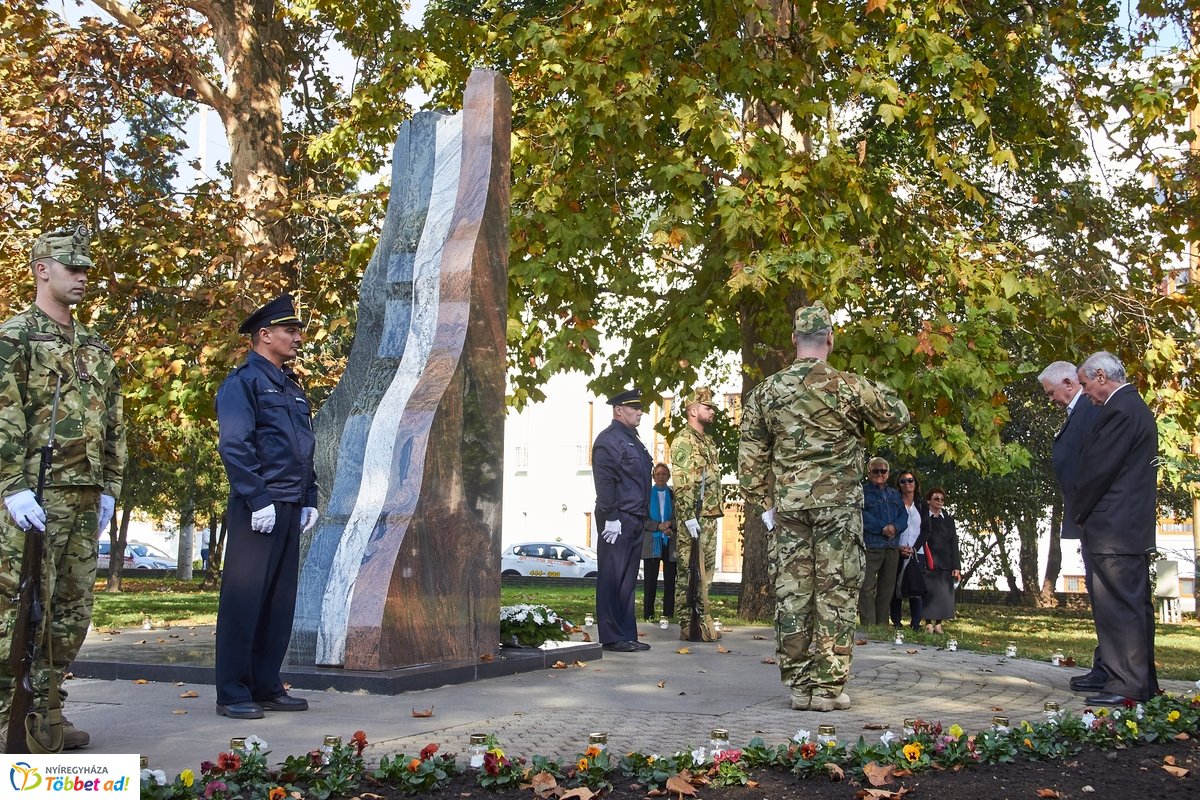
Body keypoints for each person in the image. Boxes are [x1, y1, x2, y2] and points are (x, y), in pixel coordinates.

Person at [738, 301, 909, 712]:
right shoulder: (850, 386)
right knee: (836, 593)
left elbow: (749, 463)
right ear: (830, 339)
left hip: (790, 508)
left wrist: (767, 502)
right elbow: (898, 416)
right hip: (838, 509)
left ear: (794, 340)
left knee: (793, 594)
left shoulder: (767, 391)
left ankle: (799, 688)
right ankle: (829, 690)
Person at [0, 224, 125, 751]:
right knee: (17, 606)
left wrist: (112, 488)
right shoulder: (14, 337)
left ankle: (46, 714)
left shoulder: (94, 347)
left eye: (84, 270)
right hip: (34, 496)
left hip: (84, 494)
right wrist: (11, 484)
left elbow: (115, 423)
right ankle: (8, 713)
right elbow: (4, 414)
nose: (80, 277)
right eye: (70, 268)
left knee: (72, 610)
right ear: (40, 270)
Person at [214, 295, 319, 719]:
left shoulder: (291, 387)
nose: (298, 338)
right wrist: (258, 497)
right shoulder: (242, 383)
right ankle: (233, 691)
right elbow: (235, 445)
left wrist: (309, 496)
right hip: (258, 506)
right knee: (244, 600)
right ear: (265, 335)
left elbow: (303, 448)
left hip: (291, 503)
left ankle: (265, 684)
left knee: (278, 602)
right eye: (290, 331)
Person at [1072, 351, 1159, 705]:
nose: (1086, 392)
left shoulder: (1120, 411)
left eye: (1086, 384)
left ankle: (1126, 684)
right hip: (1125, 527)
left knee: (1119, 606)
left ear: (1102, 376)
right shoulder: (1133, 407)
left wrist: (1078, 511)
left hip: (1114, 528)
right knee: (1131, 605)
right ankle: (1141, 681)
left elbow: (1097, 470)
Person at [1038, 360, 1106, 692]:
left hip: (1098, 518)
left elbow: (1093, 466)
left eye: (1051, 393)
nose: (1050, 399)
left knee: (1106, 595)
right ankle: (1105, 665)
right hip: (1088, 517)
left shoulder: (1090, 411)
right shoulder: (1078, 412)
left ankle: (1110, 669)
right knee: (1099, 595)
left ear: (1068, 382)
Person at [591, 388, 653, 653]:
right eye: (634, 408)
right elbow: (605, 482)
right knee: (612, 577)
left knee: (628, 579)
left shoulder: (633, 440)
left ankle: (627, 634)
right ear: (618, 410)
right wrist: (612, 517)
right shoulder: (609, 440)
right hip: (618, 518)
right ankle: (612, 636)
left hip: (635, 517)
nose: (639, 412)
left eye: (639, 408)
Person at [670, 387, 723, 640]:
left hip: (710, 514)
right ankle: (687, 623)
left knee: (706, 571)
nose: (712, 411)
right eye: (707, 407)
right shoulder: (683, 440)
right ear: (693, 410)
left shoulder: (708, 442)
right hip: (695, 516)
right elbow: (682, 481)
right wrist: (688, 515)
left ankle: (703, 620)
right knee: (689, 570)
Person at [858, 457, 907, 626]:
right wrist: (882, 528)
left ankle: (882, 626)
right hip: (872, 546)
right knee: (866, 587)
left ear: (888, 473)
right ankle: (869, 625)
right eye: (875, 471)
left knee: (887, 589)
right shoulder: (862, 492)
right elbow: (861, 514)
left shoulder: (894, 493)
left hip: (891, 547)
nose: (879, 474)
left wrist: (895, 527)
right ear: (868, 472)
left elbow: (904, 516)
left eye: (883, 471)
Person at [889, 470, 929, 631]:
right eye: (903, 481)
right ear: (898, 485)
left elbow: (926, 530)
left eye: (910, 480)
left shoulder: (921, 505)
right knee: (894, 587)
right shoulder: (894, 503)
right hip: (897, 550)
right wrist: (898, 547)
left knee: (915, 587)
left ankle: (916, 623)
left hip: (916, 553)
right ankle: (896, 621)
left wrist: (914, 548)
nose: (907, 484)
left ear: (915, 483)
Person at [920, 487, 960, 632]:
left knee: (942, 595)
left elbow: (954, 543)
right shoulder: (923, 518)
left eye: (942, 499)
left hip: (945, 562)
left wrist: (956, 566)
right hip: (928, 561)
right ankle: (928, 623)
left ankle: (938, 624)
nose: (940, 502)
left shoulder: (949, 520)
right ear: (929, 500)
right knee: (928, 592)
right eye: (936, 499)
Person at [641, 463, 678, 622]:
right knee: (650, 580)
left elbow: (680, 517)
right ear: (653, 476)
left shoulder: (674, 495)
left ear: (668, 476)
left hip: (670, 541)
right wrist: (658, 526)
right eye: (658, 474)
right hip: (651, 542)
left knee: (670, 579)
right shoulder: (646, 495)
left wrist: (670, 525)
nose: (661, 476)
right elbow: (641, 518)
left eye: (664, 474)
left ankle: (668, 613)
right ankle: (648, 614)